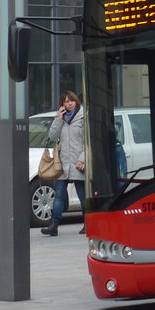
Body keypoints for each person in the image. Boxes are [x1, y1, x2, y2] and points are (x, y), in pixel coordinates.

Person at [42, 90, 85, 237]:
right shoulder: (61, 119)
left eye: (71, 100)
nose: (69, 103)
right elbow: (52, 137)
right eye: (66, 101)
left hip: (78, 163)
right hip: (63, 164)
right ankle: (53, 225)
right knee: (59, 195)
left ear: (76, 101)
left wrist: (83, 159)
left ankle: (89, 223)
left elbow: (88, 142)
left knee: (83, 195)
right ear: (62, 104)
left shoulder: (83, 117)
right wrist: (58, 119)